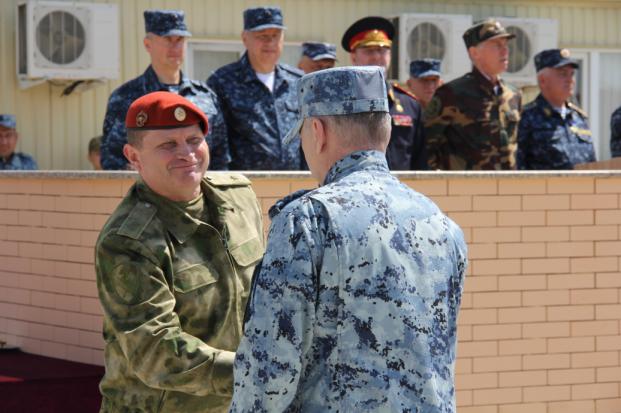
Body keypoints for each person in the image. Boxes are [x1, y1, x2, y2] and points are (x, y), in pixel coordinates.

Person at [230, 67, 467, 412]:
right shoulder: (442, 225)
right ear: (386, 130)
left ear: (317, 131)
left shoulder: (308, 220)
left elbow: (269, 372)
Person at [95, 91, 264, 413]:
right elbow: (154, 352)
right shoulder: (127, 242)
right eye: (168, 145)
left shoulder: (239, 197)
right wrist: (258, 372)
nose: (186, 153)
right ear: (133, 156)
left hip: (238, 401)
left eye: (194, 140)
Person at [100, 10, 229, 170]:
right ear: (148, 44)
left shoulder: (205, 96)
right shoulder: (125, 97)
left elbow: (220, 158)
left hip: (199, 184)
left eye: (180, 39)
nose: (175, 46)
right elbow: (111, 160)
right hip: (148, 186)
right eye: (167, 39)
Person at [207, 6, 303, 170]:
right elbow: (216, 146)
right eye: (262, 36)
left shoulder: (298, 81)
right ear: (245, 38)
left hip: (295, 182)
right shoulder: (222, 82)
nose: (270, 42)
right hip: (245, 183)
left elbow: (309, 137)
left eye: (275, 35)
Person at [424, 19, 522, 170]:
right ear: (475, 53)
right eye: (497, 45)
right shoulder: (452, 93)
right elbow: (426, 144)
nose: (505, 51)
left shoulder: (513, 94)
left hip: (508, 183)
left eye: (505, 45)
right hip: (467, 183)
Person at [342, 16, 427, 170]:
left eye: (382, 50)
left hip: (399, 185)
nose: (376, 57)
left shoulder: (410, 105)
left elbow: (420, 161)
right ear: (353, 57)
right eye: (369, 51)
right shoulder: (338, 102)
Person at [517, 49, 596, 169]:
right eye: (563, 74)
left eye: (572, 74)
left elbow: (592, 164)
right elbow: (518, 168)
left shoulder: (578, 118)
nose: (570, 80)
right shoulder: (526, 118)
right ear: (543, 80)